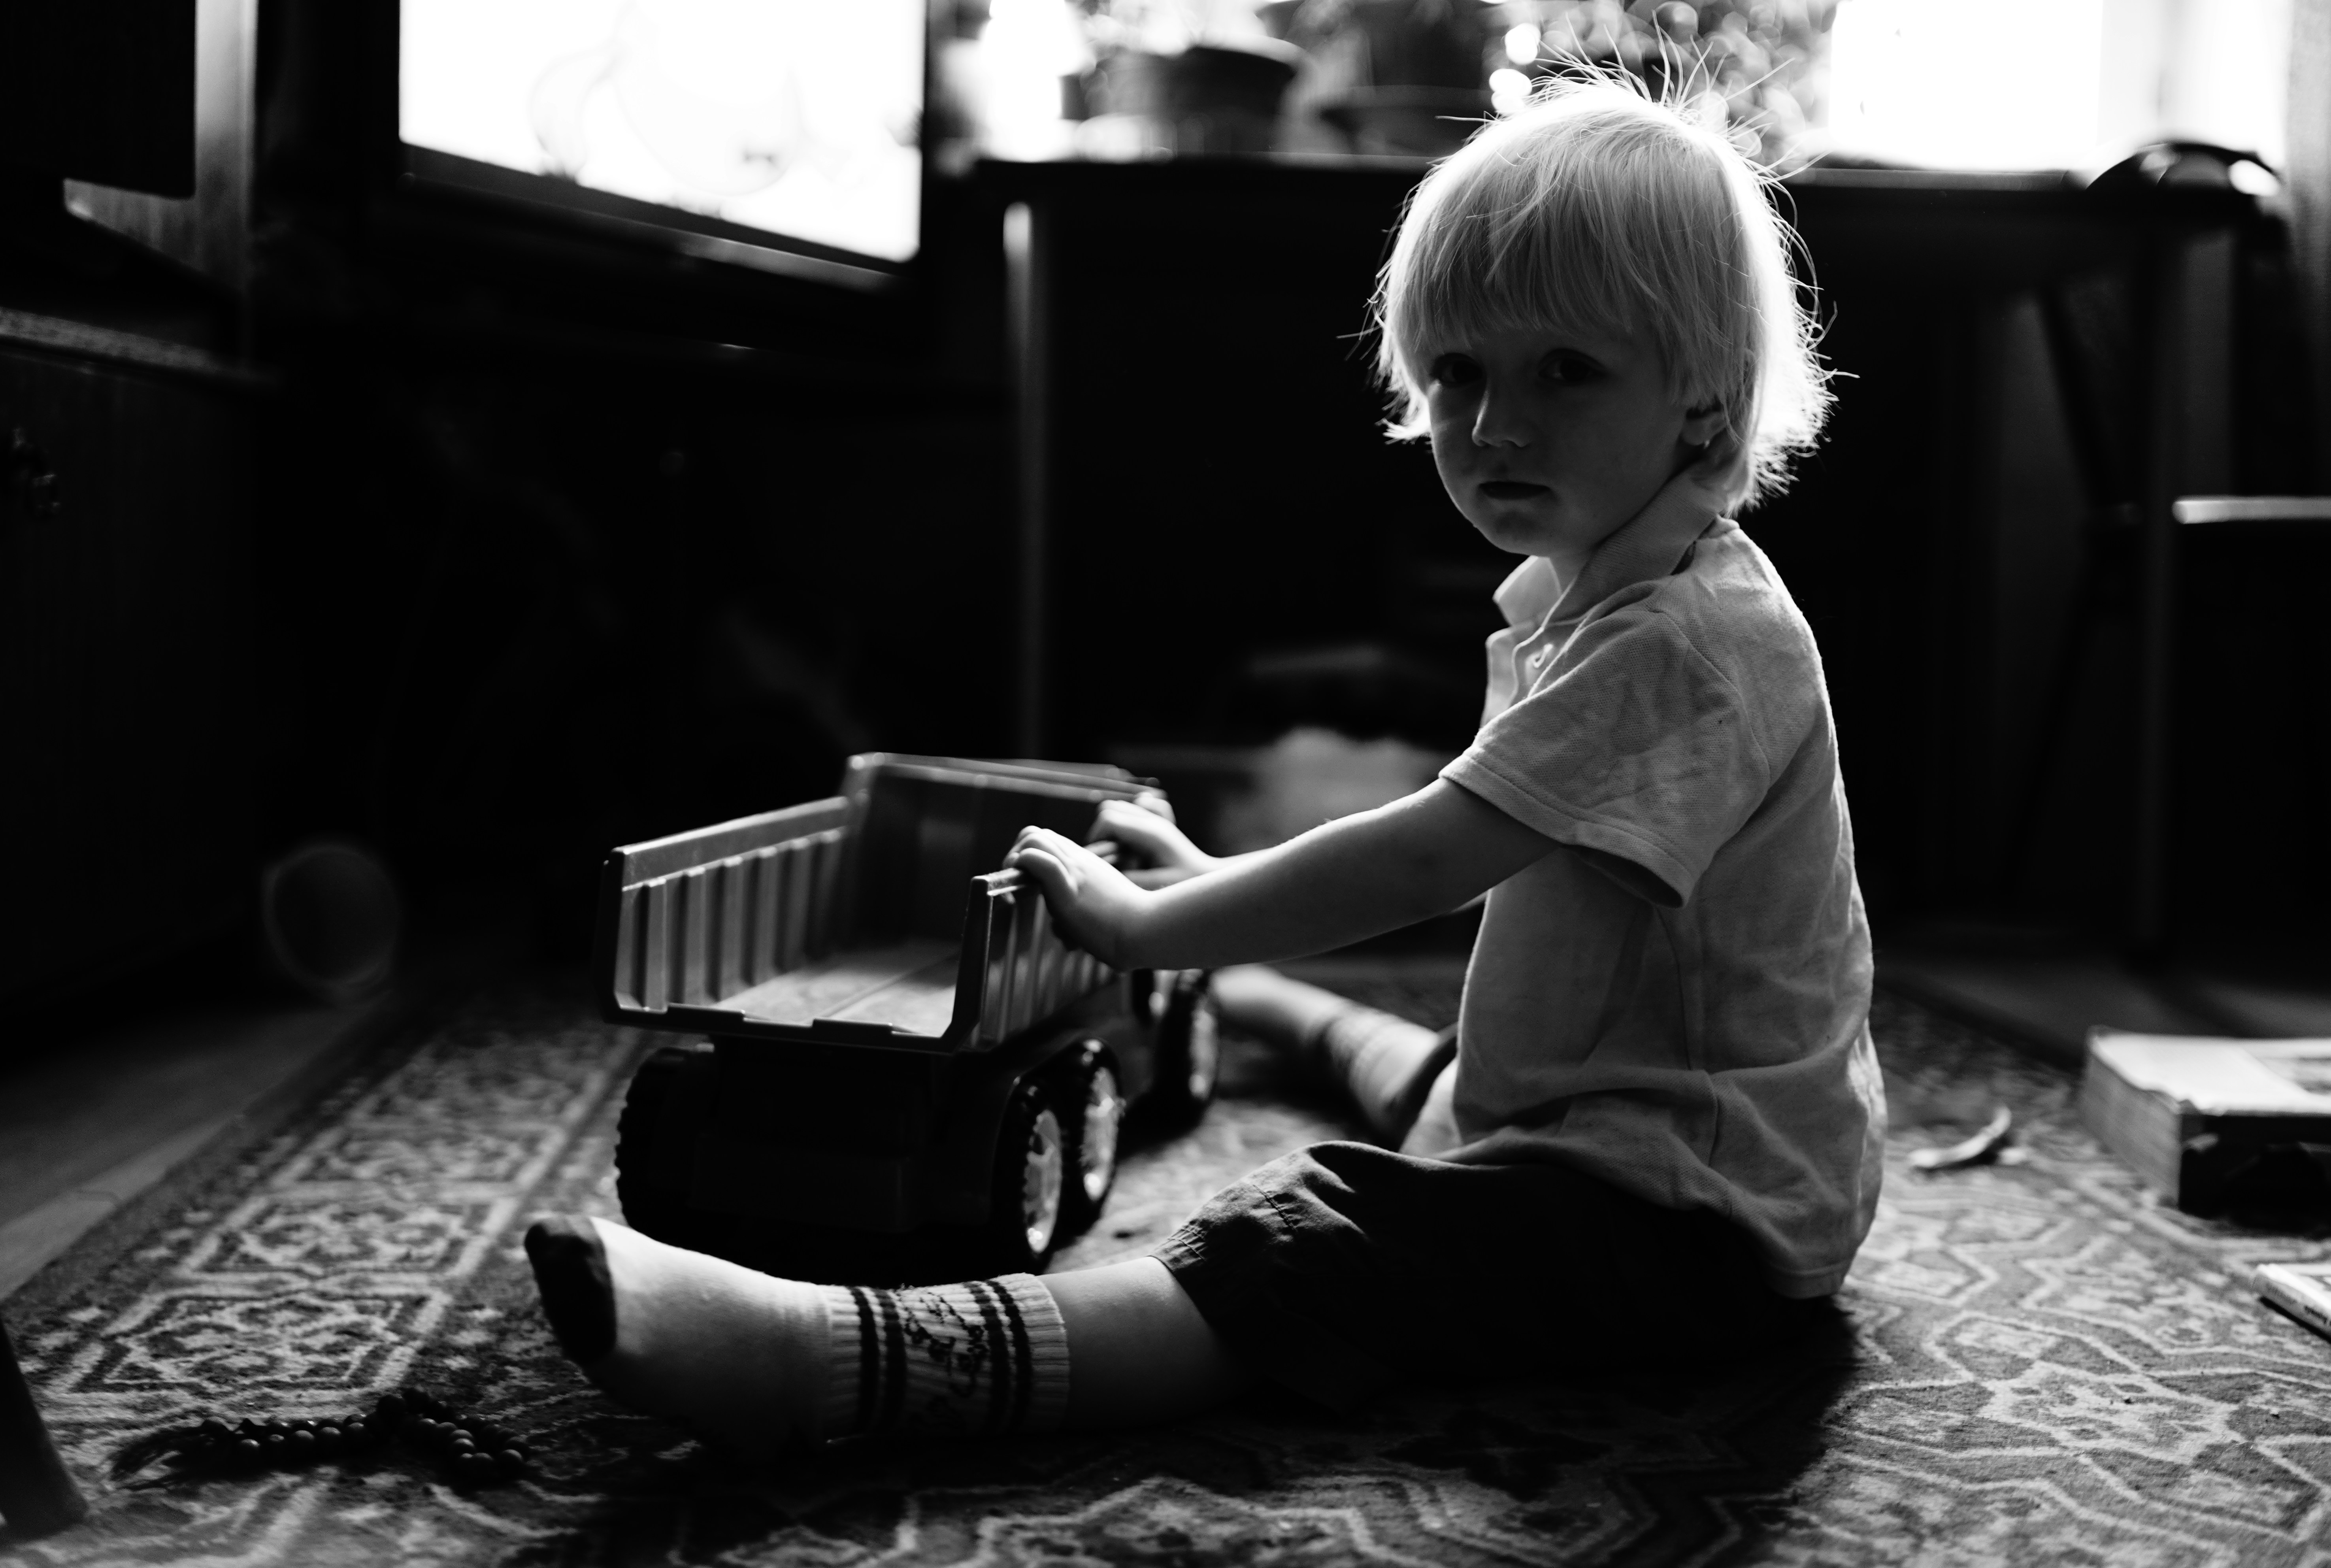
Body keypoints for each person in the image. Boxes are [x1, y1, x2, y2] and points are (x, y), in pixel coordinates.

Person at [523, 77, 1883, 1457]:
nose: (1493, 426)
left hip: (1690, 1222)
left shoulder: (1682, 644)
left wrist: (1153, 923)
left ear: (1705, 397)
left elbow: (1428, 857)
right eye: (1460, 372)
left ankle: (837, 1358)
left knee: (1312, 1234)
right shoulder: (1605, 594)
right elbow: (1509, 848)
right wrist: (1214, 888)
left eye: (1566, 371)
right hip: (1618, 1120)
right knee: (1456, 1095)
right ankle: (1278, 1009)